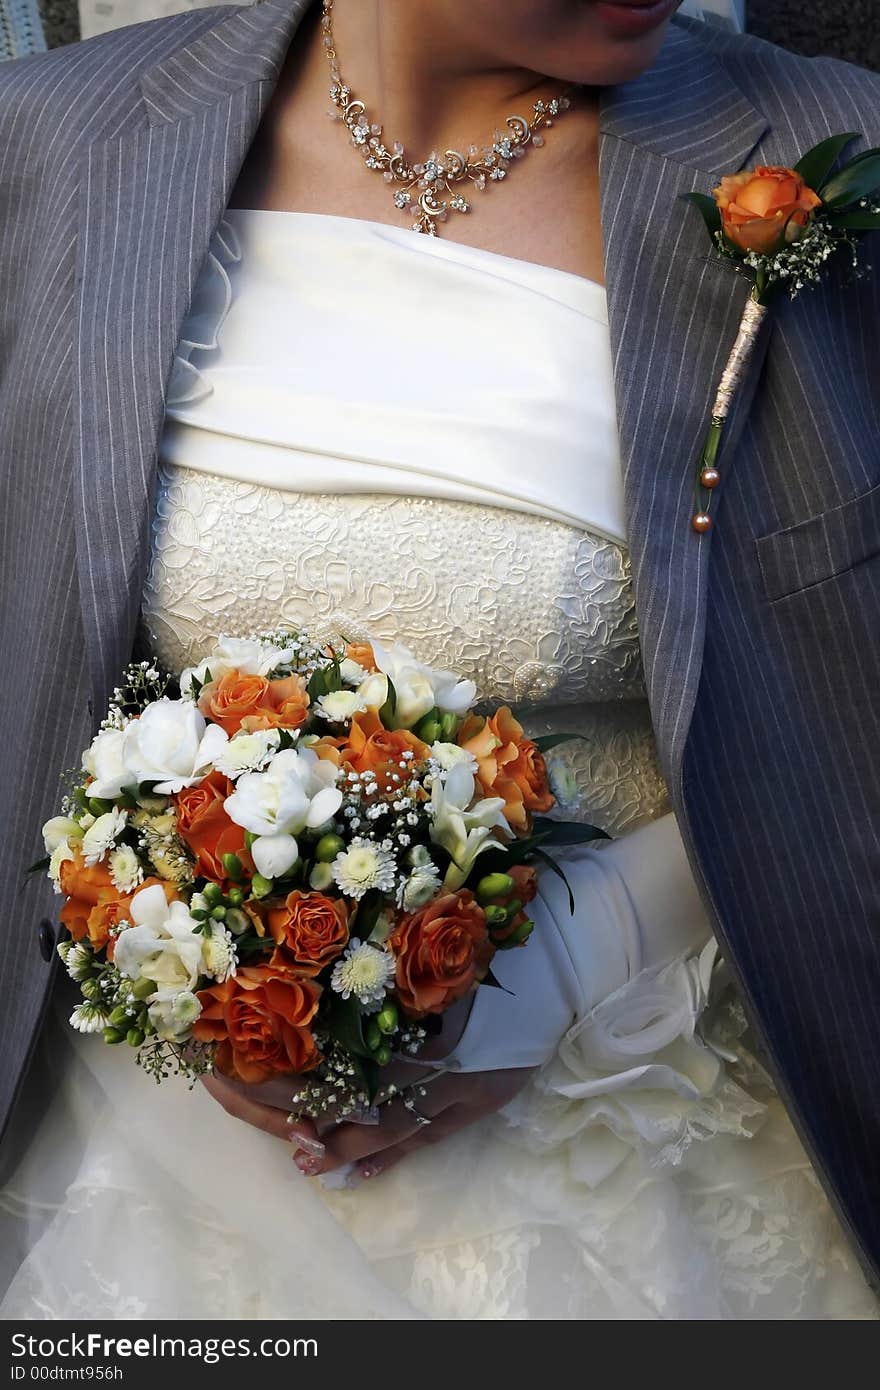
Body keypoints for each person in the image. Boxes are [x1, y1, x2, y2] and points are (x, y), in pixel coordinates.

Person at [0, 0, 878, 1319]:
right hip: (153, 1180)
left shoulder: (827, 154)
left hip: (655, 1125)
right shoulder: (62, 143)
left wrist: (574, 954)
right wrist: (165, 944)